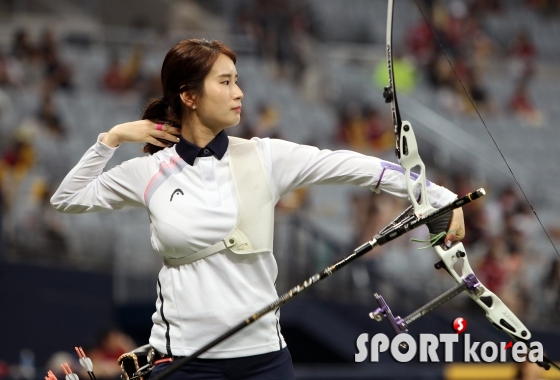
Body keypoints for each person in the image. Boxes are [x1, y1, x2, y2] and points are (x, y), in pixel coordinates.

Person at [50, 39, 465, 380]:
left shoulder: (266, 157)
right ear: (189, 96)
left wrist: (439, 196)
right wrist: (113, 137)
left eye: (238, 81)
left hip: (265, 358)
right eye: (225, 82)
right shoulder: (149, 171)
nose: (239, 92)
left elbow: (358, 167)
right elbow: (67, 199)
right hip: (184, 360)